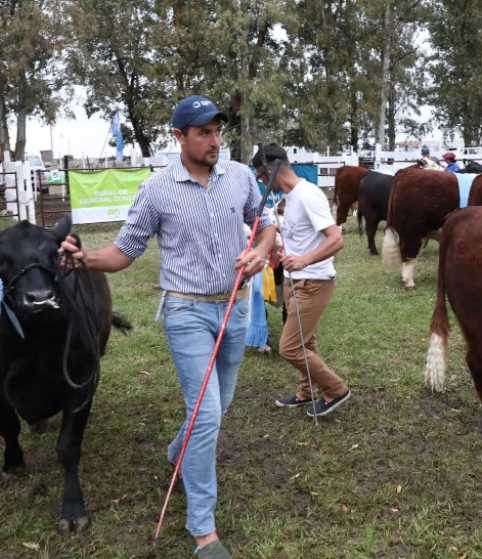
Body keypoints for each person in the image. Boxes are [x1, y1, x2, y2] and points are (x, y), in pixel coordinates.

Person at [59, 95, 275, 559]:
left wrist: (260, 250)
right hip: (187, 312)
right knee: (207, 414)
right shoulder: (158, 189)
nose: (215, 140)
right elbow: (123, 252)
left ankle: (179, 450)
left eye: (218, 131)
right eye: (203, 132)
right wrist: (85, 260)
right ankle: (203, 530)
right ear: (178, 137)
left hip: (235, 309)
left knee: (219, 406)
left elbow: (265, 222)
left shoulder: (238, 177)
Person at [256, 144, 351, 417]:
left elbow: (336, 239)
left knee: (290, 347)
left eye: (263, 177)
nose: (263, 183)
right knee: (306, 342)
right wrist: (285, 251)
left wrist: (304, 260)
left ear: (273, 169)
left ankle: (336, 390)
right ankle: (306, 392)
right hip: (293, 281)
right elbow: (300, 237)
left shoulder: (308, 195)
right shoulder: (288, 198)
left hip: (314, 282)